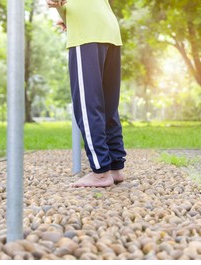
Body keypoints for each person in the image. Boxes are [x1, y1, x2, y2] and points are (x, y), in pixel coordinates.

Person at [47, 0, 126, 188]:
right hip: (110, 30)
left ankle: (100, 173)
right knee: (108, 107)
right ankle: (115, 167)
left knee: (88, 105)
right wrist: (62, 11)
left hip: (87, 34)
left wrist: (58, 5)